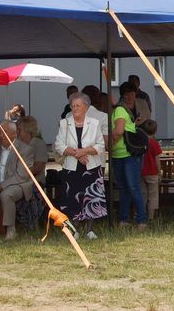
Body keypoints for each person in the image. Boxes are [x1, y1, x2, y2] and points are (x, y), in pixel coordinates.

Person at [55, 92, 107, 239]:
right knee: (72, 197)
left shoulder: (94, 123)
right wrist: (76, 153)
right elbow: (59, 145)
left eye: (78, 105)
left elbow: (100, 146)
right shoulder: (65, 123)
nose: (75, 108)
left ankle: (90, 230)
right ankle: (75, 229)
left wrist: (85, 151)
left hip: (91, 166)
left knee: (91, 197)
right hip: (72, 167)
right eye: (73, 106)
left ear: (86, 107)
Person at [111, 81, 147, 229]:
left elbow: (119, 131)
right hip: (124, 153)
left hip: (125, 153)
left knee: (130, 187)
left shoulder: (119, 110)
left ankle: (139, 220)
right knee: (127, 187)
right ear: (122, 96)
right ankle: (127, 219)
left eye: (132, 94)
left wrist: (108, 144)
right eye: (127, 94)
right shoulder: (125, 110)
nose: (130, 97)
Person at [15, 116, 48, 228]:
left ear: (28, 130)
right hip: (17, 179)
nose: (17, 132)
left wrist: (20, 175)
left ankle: (31, 223)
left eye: (19, 129)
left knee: (30, 190)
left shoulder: (39, 144)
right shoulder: (16, 144)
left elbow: (38, 167)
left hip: (35, 181)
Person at [140, 119, 162, 222]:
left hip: (141, 171)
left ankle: (141, 214)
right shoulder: (154, 143)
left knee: (143, 194)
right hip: (152, 172)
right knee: (153, 195)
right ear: (155, 131)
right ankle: (151, 217)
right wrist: (159, 171)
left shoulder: (140, 142)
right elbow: (157, 159)